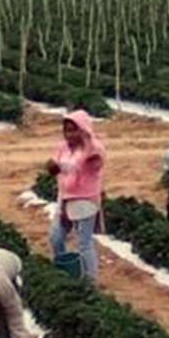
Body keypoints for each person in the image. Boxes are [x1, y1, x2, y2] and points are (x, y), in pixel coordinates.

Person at [46, 110, 105, 281]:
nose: (69, 134)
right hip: (64, 196)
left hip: (85, 199)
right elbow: (53, 167)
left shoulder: (93, 148)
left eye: (73, 130)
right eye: (66, 130)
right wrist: (52, 166)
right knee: (56, 237)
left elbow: (96, 160)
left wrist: (87, 142)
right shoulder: (63, 147)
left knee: (84, 242)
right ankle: (66, 272)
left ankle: (90, 280)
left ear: (83, 129)